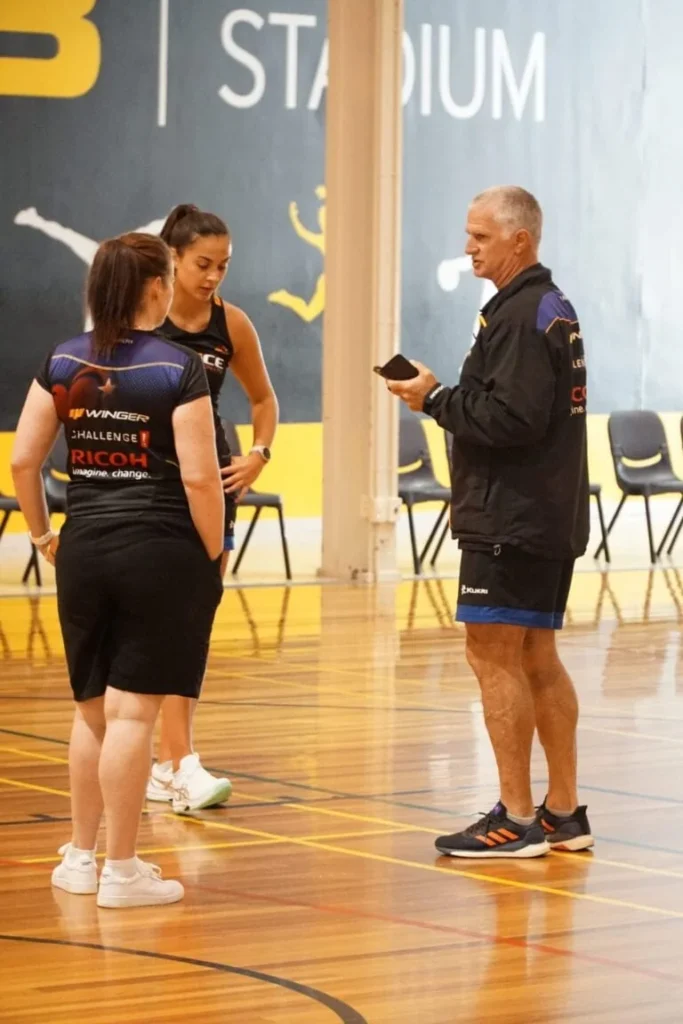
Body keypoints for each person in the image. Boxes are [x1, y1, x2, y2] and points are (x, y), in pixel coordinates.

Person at [11, 233, 224, 906]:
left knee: (92, 714)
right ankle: (123, 870)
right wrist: (213, 554)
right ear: (156, 287)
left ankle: (80, 859)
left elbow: (23, 460)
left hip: (84, 550)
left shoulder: (62, 358)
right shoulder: (177, 366)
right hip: (159, 552)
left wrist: (43, 534)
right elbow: (200, 478)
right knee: (132, 717)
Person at [387, 186, 592, 859]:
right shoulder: (543, 307)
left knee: (491, 653)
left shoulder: (523, 314)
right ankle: (562, 812)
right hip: (543, 512)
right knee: (535, 655)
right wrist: (445, 397)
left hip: (511, 516)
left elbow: (512, 419)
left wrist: (433, 398)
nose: (468, 247)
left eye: (480, 236)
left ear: (519, 240)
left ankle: (516, 818)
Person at [144, 204, 278, 814]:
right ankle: (173, 763)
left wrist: (258, 455)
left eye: (223, 265)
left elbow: (264, 400)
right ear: (171, 257)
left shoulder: (232, 323)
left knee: (192, 622)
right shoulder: (141, 321)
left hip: (212, 490)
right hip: (149, 487)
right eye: (203, 263)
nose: (213, 276)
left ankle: (175, 762)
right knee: (158, 624)